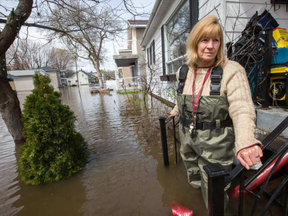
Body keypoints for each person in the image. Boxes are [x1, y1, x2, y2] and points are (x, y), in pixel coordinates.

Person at [169, 15, 263, 208]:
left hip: (216, 143)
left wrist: (245, 142)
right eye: (205, 40)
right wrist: (177, 109)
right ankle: (196, 203)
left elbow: (242, 108)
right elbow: (185, 95)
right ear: (195, 42)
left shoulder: (232, 71)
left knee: (214, 191)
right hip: (188, 138)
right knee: (193, 177)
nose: (210, 46)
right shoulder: (183, 71)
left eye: (216, 40)